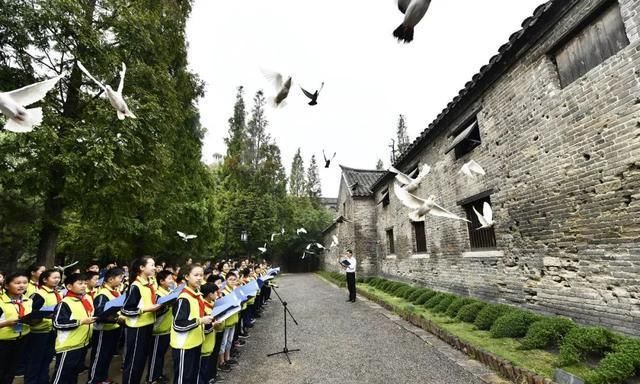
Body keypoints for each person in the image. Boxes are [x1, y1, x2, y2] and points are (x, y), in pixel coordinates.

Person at [121, 256, 161, 384]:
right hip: (137, 328)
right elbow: (126, 310)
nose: (154, 267)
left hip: (147, 325)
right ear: (142, 268)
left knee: (142, 360)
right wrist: (145, 310)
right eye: (152, 265)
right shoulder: (135, 286)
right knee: (134, 362)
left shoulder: (148, 285)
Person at [170, 264, 213, 384]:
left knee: (192, 377)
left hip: (196, 342)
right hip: (184, 345)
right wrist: (200, 321)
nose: (199, 278)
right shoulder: (184, 298)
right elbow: (178, 324)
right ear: (187, 276)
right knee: (183, 379)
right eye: (196, 275)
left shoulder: (197, 294)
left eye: (201, 275)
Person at [51, 273, 97, 384]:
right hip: (68, 346)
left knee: (73, 375)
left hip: (82, 343)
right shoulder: (65, 303)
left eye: (85, 283)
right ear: (69, 287)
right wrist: (81, 322)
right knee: (62, 376)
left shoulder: (85, 299)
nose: (83, 286)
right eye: (80, 283)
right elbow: (57, 323)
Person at [88, 267, 125, 384]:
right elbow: (99, 313)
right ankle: (94, 380)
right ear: (110, 279)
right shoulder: (103, 294)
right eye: (120, 278)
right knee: (99, 357)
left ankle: (103, 378)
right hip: (103, 331)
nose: (121, 280)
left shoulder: (116, 292)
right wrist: (116, 318)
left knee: (107, 356)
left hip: (113, 329)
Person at [26, 269, 62, 384]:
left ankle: (43, 380)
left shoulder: (57, 293)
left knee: (47, 359)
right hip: (38, 333)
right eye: (54, 277)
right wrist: (45, 316)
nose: (57, 280)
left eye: (59, 277)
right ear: (45, 279)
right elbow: (30, 314)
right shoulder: (38, 294)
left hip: (51, 331)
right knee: (35, 361)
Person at [0, 271, 32, 384]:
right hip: (3, 342)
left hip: (21, 339)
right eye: (17, 283)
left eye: (25, 282)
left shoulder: (28, 300)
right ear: (7, 285)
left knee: (11, 371)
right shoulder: (1, 301)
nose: (22, 285)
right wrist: (6, 323)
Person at [148, 270, 174, 384]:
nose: (172, 280)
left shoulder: (169, 292)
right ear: (161, 281)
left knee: (161, 354)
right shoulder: (158, 294)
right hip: (158, 330)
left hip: (167, 329)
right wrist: (165, 305)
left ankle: (158, 375)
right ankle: (151, 378)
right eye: (169, 279)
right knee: (155, 355)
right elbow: (155, 313)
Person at [199, 283, 221, 384]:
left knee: (208, 364)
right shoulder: (203, 306)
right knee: (202, 368)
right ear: (209, 294)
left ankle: (209, 378)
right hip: (204, 344)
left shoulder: (212, 304)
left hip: (210, 342)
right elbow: (204, 327)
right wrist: (213, 325)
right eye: (215, 292)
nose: (218, 293)